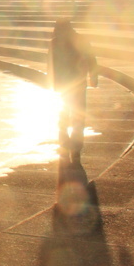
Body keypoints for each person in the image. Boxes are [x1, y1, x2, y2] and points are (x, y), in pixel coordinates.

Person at [49, 19, 97, 161]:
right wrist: (93, 77)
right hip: (75, 83)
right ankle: (73, 145)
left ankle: (67, 144)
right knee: (75, 115)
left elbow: (51, 64)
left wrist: (52, 82)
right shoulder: (78, 40)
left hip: (67, 83)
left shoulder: (56, 42)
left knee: (66, 114)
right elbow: (91, 59)